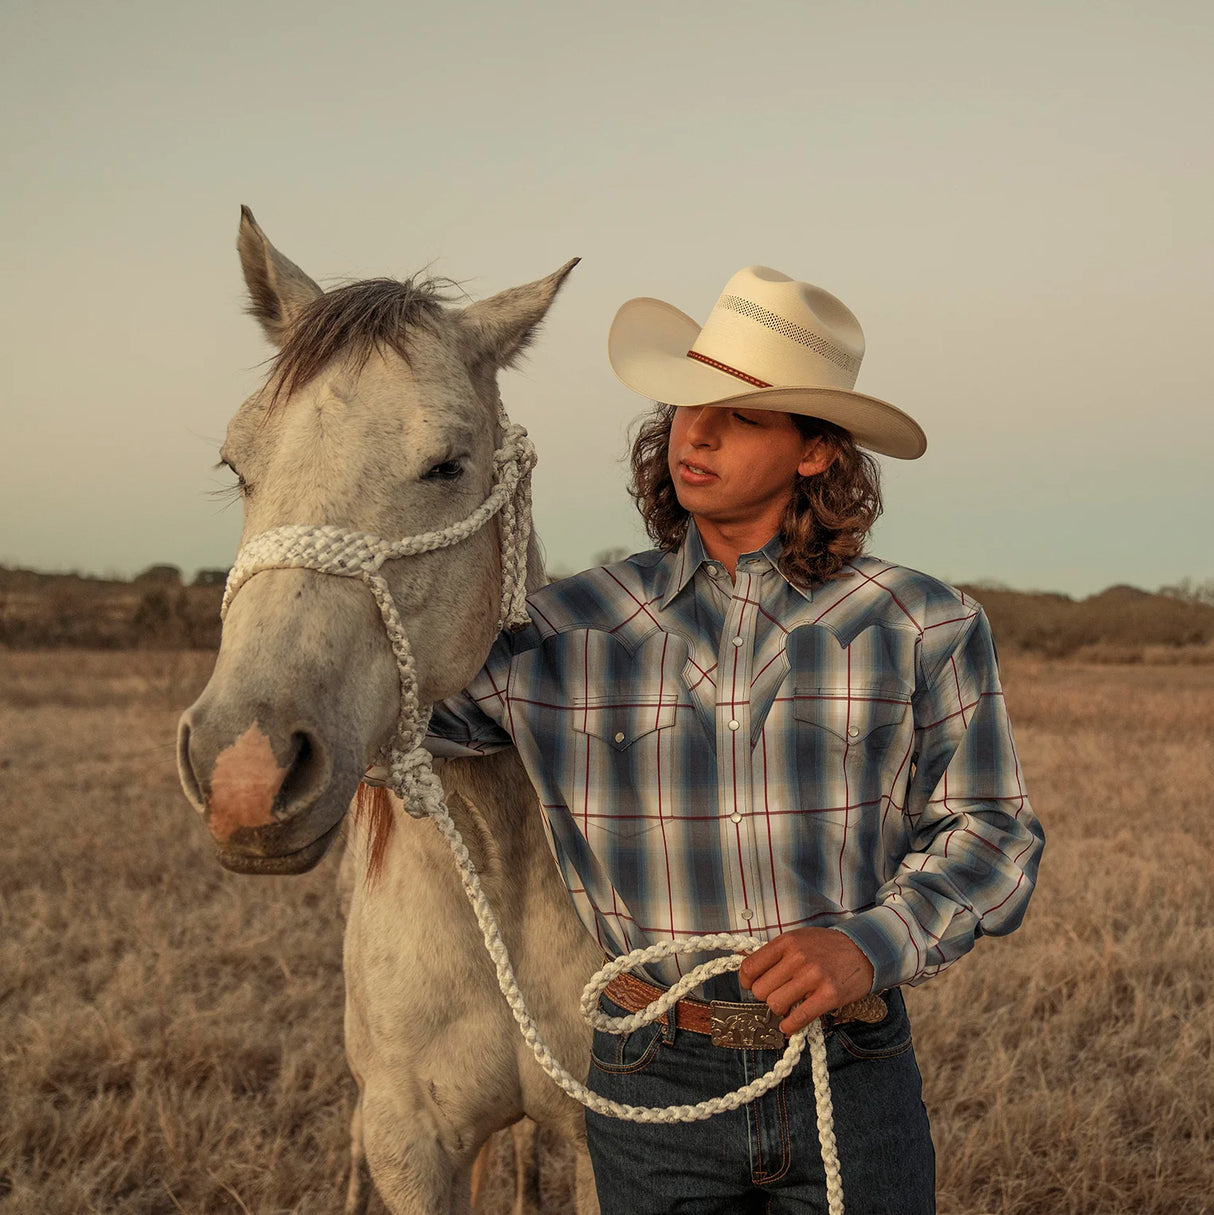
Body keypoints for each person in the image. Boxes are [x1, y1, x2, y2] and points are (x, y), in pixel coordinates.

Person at [427, 266, 1044, 1213]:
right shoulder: (558, 632)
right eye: (684, 406)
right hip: (652, 1071)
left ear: (814, 452)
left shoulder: (924, 621)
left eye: (742, 415)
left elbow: (993, 834)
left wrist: (868, 945)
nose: (695, 432)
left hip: (850, 1065)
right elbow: (387, 711)